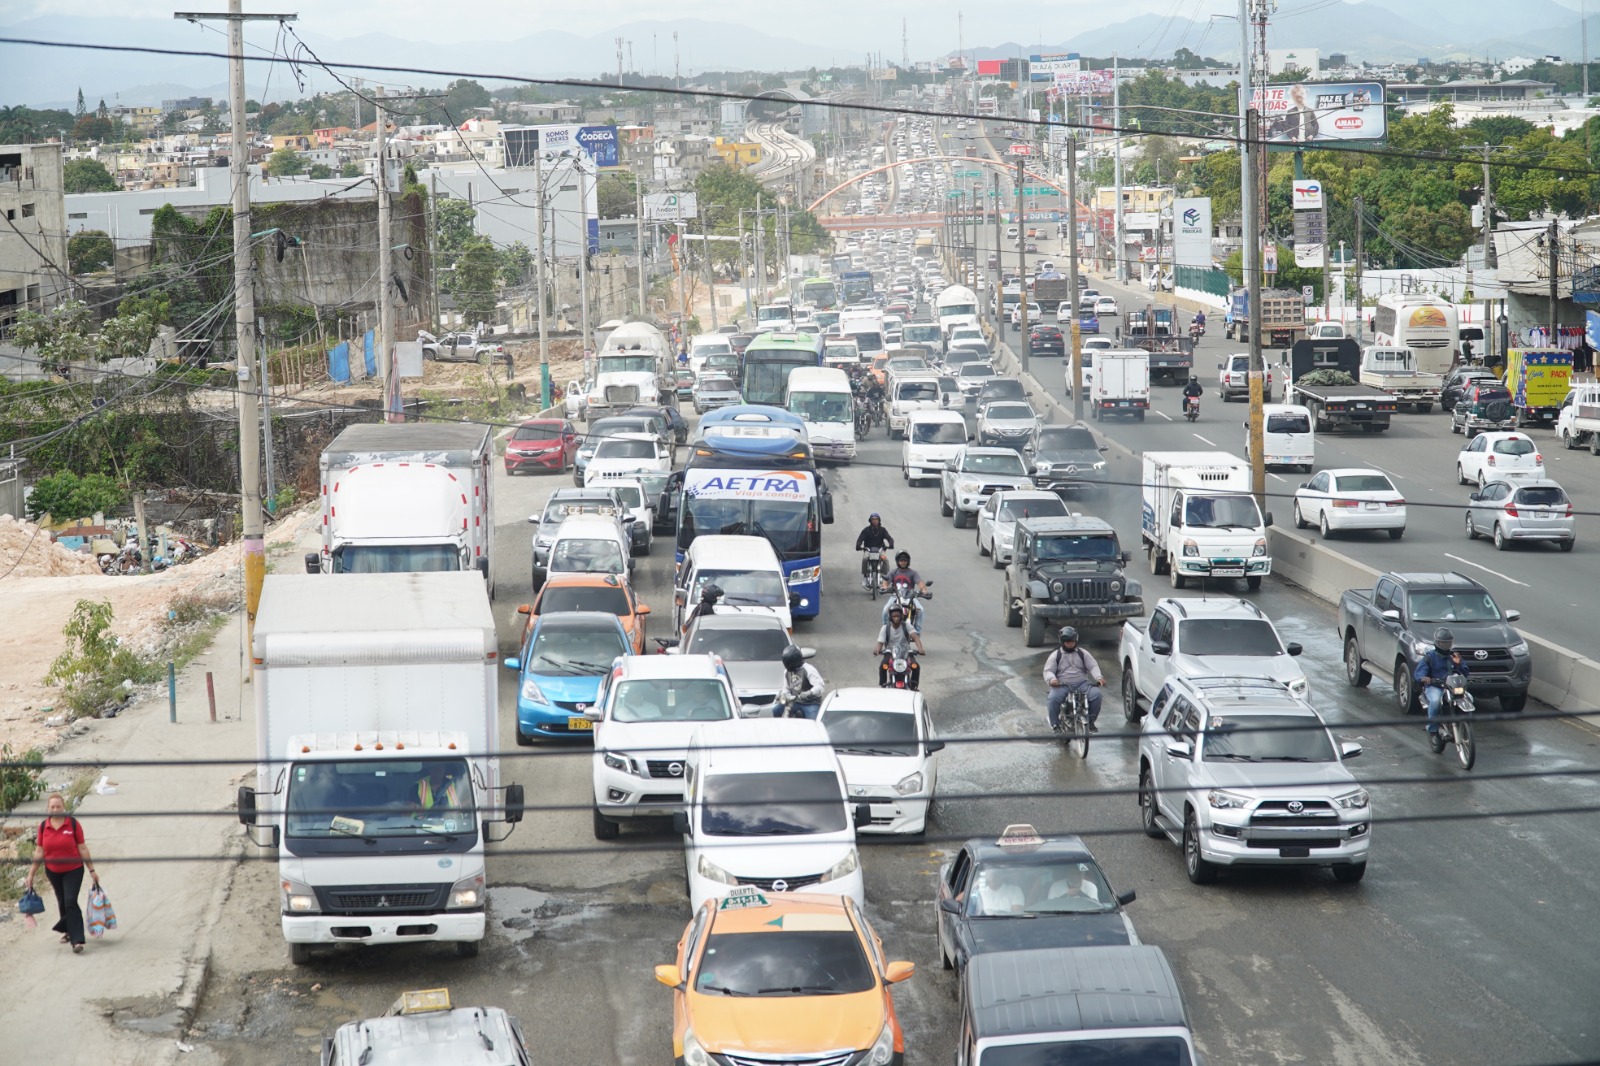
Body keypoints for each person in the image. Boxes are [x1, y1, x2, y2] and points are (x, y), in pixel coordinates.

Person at [24, 793, 98, 953]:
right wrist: (31, 875)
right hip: (53, 871)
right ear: (48, 808)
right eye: (52, 807)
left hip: (74, 869)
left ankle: (77, 940)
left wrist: (92, 870)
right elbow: (39, 851)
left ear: (63, 807)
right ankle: (67, 931)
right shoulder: (43, 827)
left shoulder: (73, 824)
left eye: (58, 806)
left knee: (70, 900)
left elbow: (82, 847)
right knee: (62, 900)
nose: (55, 809)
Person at [1415, 627, 1467, 754]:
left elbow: (1465, 672)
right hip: (1435, 686)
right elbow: (1419, 672)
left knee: (1468, 698)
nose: (1446, 645)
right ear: (1437, 643)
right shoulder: (1430, 656)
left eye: (1448, 643)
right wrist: (1424, 678)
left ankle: (1464, 726)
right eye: (1443, 643)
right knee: (1435, 701)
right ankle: (1433, 730)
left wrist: (1458, 664)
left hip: (1451, 686)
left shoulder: (1454, 656)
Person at [1044, 627, 1105, 733]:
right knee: (1052, 699)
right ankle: (1055, 725)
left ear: (1076, 641)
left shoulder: (1083, 653)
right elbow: (1048, 670)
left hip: (1082, 683)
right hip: (1062, 685)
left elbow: (1093, 666)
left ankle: (1090, 722)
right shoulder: (1056, 655)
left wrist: (1099, 677)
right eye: (1067, 642)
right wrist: (1052, 679)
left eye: (1072, 642)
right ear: (1062, 642)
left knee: (1097, 695)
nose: (1070, 644)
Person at [875, 604, 926, 689]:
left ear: (901, 616)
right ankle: (883, 685)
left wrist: (920, 649)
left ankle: (914, 686)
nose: (896, 618)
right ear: (890, 617)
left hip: (906, 652)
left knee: (915, 666)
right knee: (883, 666)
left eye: (898, 616)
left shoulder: (907, 626)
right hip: (890, 652)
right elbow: (880, 642)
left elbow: (915, 637)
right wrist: (877, 650)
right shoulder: (885, 628)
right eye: (894, 616)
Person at [882, 550, 932, 631]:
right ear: (898, 561)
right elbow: (886, 581)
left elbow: (920, 582)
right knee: (885, 610)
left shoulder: (913, 573)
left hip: (911, 596)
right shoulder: (893, 572)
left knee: (920, 610)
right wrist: (884, 587)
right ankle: (885, 630)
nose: (903, 562)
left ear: (908, 561)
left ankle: (917, 632)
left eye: (905, 560)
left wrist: (923, 589)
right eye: (901, 560)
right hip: (895, 596)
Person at [778, 645, 826, 719]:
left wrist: (809, 692)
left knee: (812, 720)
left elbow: (820, 685)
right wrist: (785, 695)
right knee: (776, 710)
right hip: (794, 702)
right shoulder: (787, 672)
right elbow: (786, 687)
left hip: (810, 703)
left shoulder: (809, 670)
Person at [855, 513, 895, 589]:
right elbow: (860, 539)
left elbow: (889, 538)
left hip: (880, 549)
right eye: (873, 519)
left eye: (876, 519)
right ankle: (865, 576)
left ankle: (885, 576)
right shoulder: (866, 530)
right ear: (870, 521)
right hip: (868, 550)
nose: (875, 521)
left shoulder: (883, 530)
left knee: (885, 560)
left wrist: (891, 544)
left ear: (879, 520)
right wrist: (858, 546)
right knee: (865, 559)